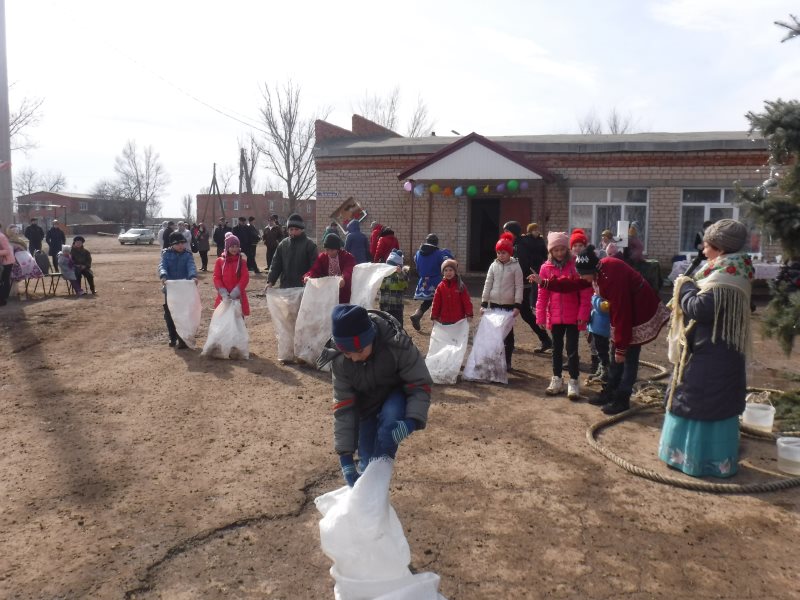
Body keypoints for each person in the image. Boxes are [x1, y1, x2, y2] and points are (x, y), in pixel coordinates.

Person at [660, 219, 753, 478]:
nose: (702, 247)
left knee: (699, 399)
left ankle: (696, 460)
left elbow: (700, 309)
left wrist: (685, 286)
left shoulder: (725, 276)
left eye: (707, 243)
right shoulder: (736, 267)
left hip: (711, 351)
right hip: (719, 348)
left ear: (720, 249)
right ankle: (708, 458)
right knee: (709, 399)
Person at [537, 246, 670, 414]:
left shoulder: (613, 278)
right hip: (623, 314)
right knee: (616, 355)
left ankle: (622, 399)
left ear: (591, 270)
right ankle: (609, 392)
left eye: (583, 274)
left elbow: (622, 314)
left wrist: (621, 347)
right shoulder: (595, 271)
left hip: (639, 313)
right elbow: (574, 283)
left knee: (628, 357)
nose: (582, 278)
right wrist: (546, 282)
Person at [322, 304, 433, 486]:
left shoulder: (397, 345)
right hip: (366, 405)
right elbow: (344, 406)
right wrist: (345, 457)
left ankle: (382, 468)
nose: (355, 358)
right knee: (366, 459)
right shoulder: (340, 360)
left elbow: (420, 384)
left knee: (388, 430)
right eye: (347, 353)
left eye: (359, 351)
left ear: (371, 338)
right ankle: (370, 491)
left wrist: (411, 421)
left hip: (396, 396)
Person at [536, 232, 591, 399]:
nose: (559, 253)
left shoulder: (575, 266)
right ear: (551, 251)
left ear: (567, 249)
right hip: (555, 316)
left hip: (573, 316)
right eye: (555, 250)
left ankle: (574, 381)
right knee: (556, 349)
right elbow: (542, 294)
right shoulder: (545, 268)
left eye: (562, 249)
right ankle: (557, 378)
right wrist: (540, 315)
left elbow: (585, 292)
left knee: (572, 349)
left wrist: (583, 313)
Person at [504, 221, 552, 352]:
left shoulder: (520, 246)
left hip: (521, 284)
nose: (504, 234)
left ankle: (510, 344)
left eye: (507, 231)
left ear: (513, 232)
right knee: (525, 314)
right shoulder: (519, 243)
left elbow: (522, 266)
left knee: (514, 312)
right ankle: (545, 339)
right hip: (523, 283)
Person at [480, 233, 523, 370]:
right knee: (494, 334)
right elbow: (488, 283)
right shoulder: (493, 266)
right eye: (498, 252)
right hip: (494, 304)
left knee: (508, 335)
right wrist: (483, 302)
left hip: (508, 306)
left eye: (503, 252)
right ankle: (494, 360)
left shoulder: (516, 266)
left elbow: (519, 286)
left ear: (509, 253)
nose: (501, 255)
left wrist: (517, 305)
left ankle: (507, 361)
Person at [158, 231, 199, 349]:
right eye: (178, 244)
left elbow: (191, 266)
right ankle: (173, 336)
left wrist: (193, 276)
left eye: (182, 243)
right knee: (170, 314)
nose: (181, 246)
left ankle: (183, 338)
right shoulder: (166, 254)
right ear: (172, 244)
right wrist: (163, 275)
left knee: (184, 314)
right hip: (170, 289)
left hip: (184, 289)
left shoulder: (187, 255)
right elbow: (162, 266)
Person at [410, 233, 453, 331]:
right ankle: (440, 324)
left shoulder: (418, 253)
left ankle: (418, 314)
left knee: (428, 301)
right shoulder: (438, 253)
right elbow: (446, 264)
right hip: (436, 281)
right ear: (436, 243)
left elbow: (417, 266)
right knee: (441, 301)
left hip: (423, 281)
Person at [265, 213, 317, 290]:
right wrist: (270, 281)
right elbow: (276, 264)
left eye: (296, 229)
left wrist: (310, 277)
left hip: (304, 287)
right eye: (291, 229)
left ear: (302, 229)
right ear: (288, 230)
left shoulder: (309, 244)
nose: (293, 232)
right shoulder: (283, 244)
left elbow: (315, 266)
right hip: (286, 286)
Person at [303, 233, 356, 303]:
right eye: (327, 250)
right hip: (328, 291)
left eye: (332, 250)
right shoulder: (322, 258)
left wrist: (344, 279)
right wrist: (308, 277)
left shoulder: (347, 257)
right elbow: (315, 270)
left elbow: (349, 269)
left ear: (338, 249)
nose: (330, 252)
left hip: (344, 290)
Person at [213, 233, 250, 317]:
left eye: (237, 246)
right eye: (232, 246)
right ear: (227, 247)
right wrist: (222, 291)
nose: (235, 249)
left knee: (238, 318)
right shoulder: (220, 261)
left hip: (238, 297)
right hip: (224, 297)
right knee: (224, 318)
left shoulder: (242, 262)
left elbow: (245, 277)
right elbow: (217, 277)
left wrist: (236, 291)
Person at [431, 258, 473, 325]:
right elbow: (436, 303)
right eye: (446, 270)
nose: (448, 272)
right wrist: (434, 316)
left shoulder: (460, 285)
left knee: (457, 335)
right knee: (446, 335)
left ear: (455, 271)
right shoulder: (440, 287)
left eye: (451, 270)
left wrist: (469, 314)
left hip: (458, 319)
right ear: (443, 272)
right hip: (444, 319)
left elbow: (466, 301)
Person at [379, 250, 410, 324]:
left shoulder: (402, 275)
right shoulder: (383, 275)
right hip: (384, 305)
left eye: (392, 265)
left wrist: (400, 274)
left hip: (396, 306)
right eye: (388, 265)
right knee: (386, 324)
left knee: (398, 323)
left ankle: (400, 335)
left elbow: (404, 287)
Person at [0, 225, 14, 306]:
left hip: (7, 261)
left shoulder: (1, 236)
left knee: (4, 281)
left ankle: (3, 299)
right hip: (3, 261)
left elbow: (7, 251)